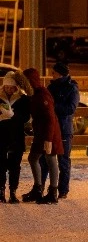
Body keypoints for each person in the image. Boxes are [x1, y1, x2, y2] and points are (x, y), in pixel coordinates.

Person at [21, 68, 63, 204]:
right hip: (40, 133)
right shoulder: (34, 94)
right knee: (33, 158)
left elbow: (50, 118)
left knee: (51, 159)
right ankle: (38, 189)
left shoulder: (42, 95)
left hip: (48, 133)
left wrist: (49, 140)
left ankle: (53, 191)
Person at [39, 62, 79, 200]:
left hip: (63, 129)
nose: (52, 75)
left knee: (63, 160)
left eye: (54, 73)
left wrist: (52, 107)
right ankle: (40, 187)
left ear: (60, 74)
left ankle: (62, 190)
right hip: (51, 128)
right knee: (45, 158)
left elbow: (70, 109)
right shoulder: (51, 87)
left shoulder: (72, 88)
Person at [0, 71, 31, 204]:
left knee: (14, 166)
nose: (8, 89)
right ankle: (0, 191)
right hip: (0, 136)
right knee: (0, 165)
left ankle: (13, 191)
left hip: (16, 137)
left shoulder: (23, 100)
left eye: (11, 87)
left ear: (16, 87)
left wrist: (13, 115)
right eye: (6, 87)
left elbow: (25, 118)